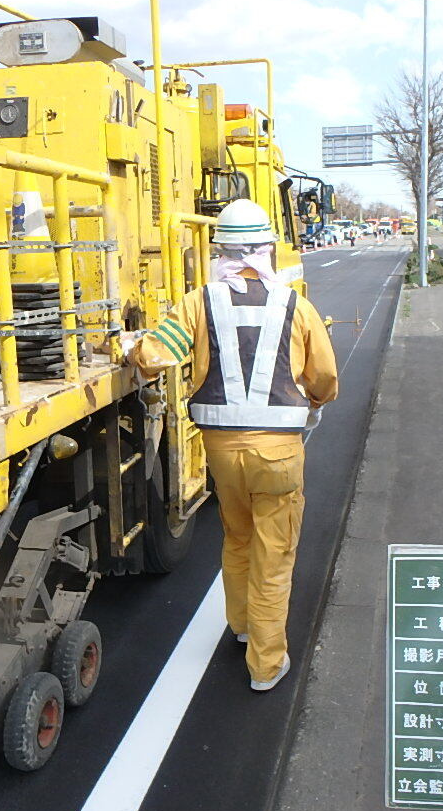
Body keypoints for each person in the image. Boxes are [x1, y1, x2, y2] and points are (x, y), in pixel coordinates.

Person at [124, 199, 338, 692]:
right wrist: (318, 402)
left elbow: (156, 355)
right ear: (267, 249)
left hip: (222, 451)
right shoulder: (296, 306)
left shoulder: (198, 302)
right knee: (274, 552)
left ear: (219, 251)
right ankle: (265, 665)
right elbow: (323, 376)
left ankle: (241, 626)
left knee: (238, 536)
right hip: (279, 453)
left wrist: (131, 347)